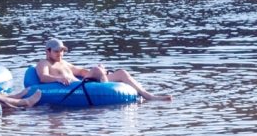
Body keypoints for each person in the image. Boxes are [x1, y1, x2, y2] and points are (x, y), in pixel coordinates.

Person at [34, 38, 171, 101]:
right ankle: (106, 87)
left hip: (84, 83)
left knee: (121, 72)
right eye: (57, 51)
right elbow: (43, 77)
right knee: (96, 69)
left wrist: (98, 72)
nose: (60, 54)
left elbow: (81, 71)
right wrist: (59, 78)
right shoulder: (44, 63)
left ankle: (149, 96)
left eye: (62, 51)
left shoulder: (64, 62)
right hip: (77, 86)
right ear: (48, 51)